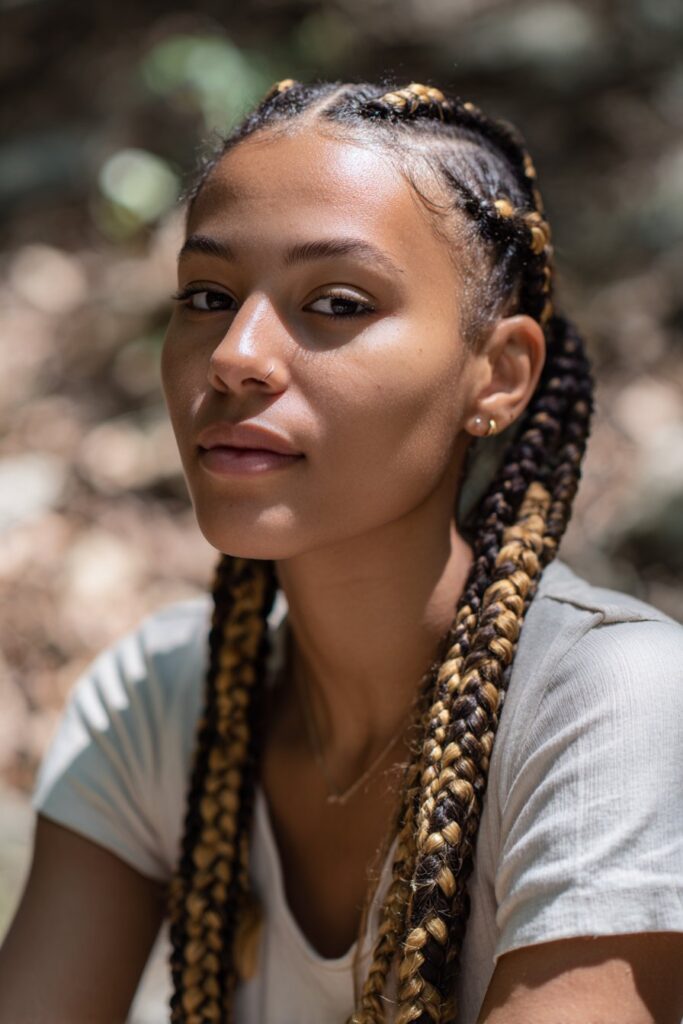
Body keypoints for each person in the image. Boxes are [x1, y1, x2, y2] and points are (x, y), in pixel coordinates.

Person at [1, 78, 681, 1024]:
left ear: (499, 373)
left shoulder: (610, 702)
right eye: (207, 294)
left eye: (337, 301)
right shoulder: (162, 705)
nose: (236, 353)